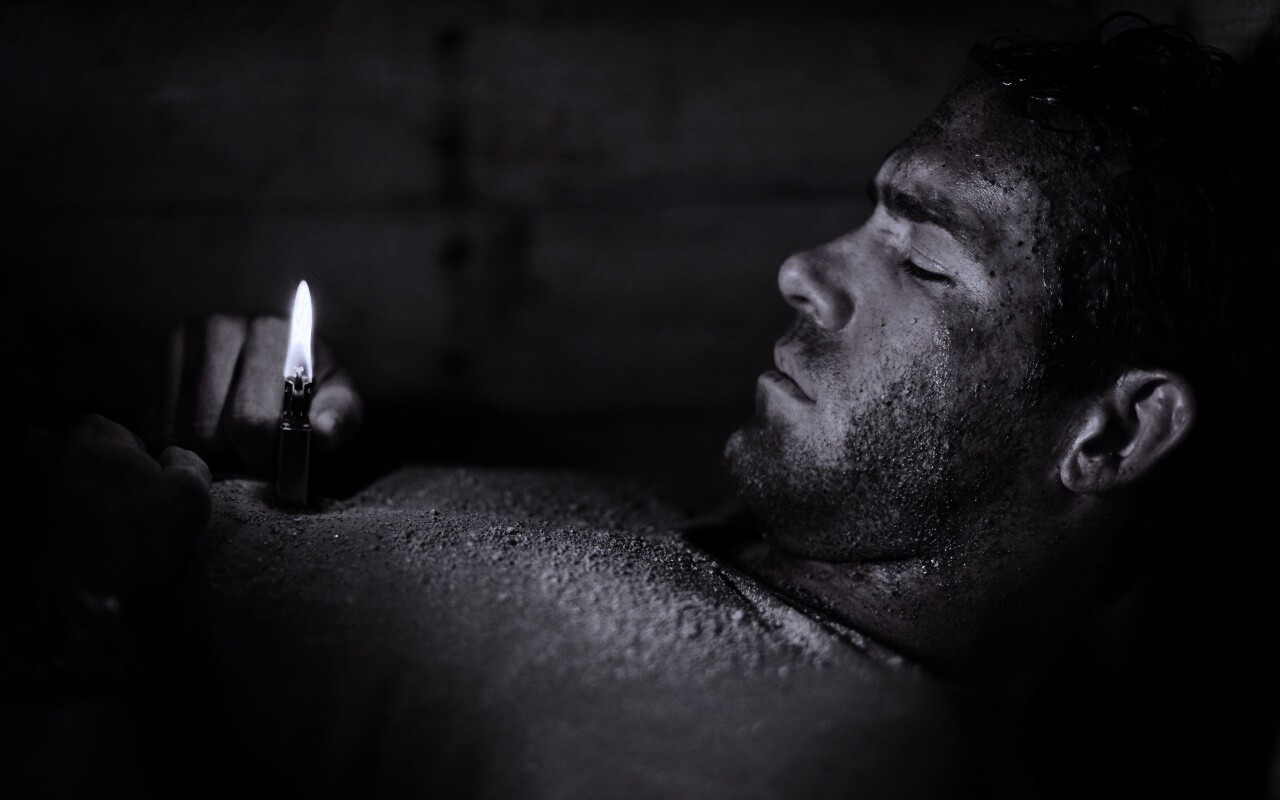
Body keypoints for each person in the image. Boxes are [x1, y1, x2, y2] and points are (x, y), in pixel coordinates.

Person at [5, 15, 1275, 799]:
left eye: (926, 261)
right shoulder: (739, 555)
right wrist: (290, 472)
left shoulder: (835, 761)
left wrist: (69, 606)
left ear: (1112, 432)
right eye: (869, 214)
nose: (805, 268)